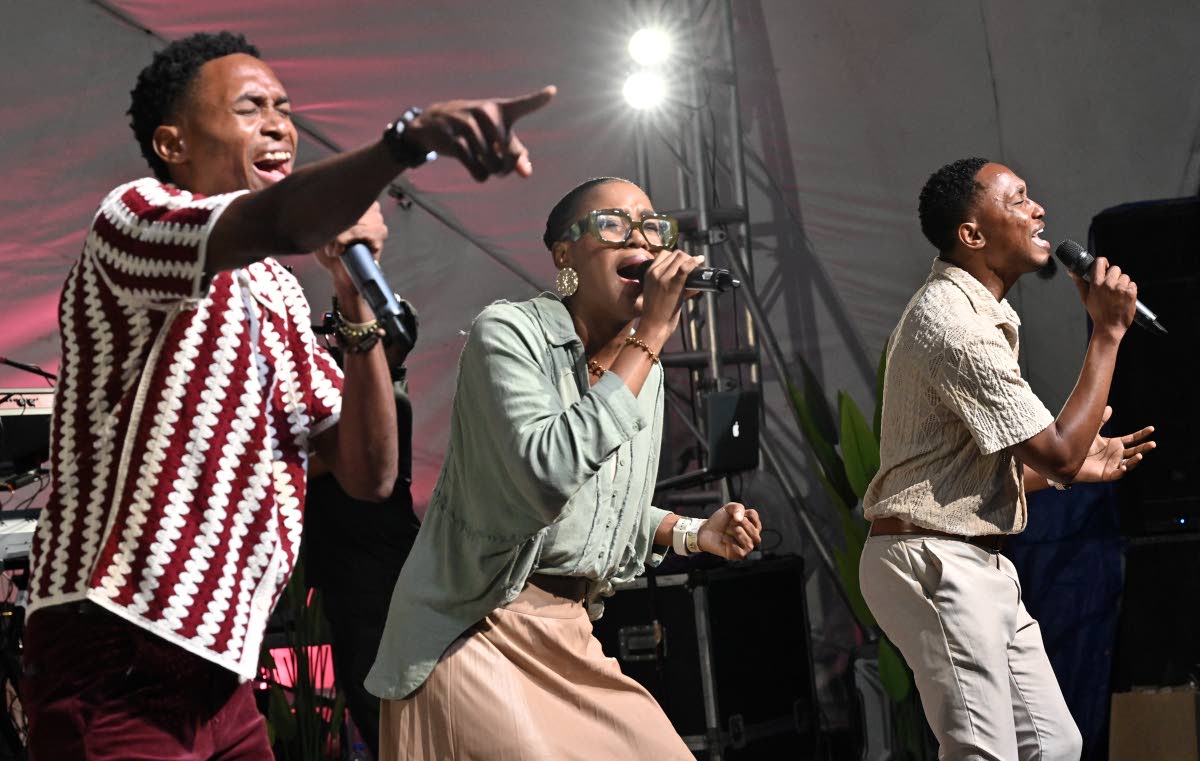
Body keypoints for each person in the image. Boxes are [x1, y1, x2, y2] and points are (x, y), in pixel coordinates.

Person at [20, 30, 553, 761]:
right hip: (118, 645)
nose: (279, 124)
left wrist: (351, 300)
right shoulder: (135, 217)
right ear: (173, 142)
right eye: (249, 107)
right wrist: (406, 142)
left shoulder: (273, 287)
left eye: (284, 107)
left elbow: (367, 473)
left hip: (223, 672)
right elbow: (279, 220)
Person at [365, 177, 763, 760]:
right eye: (614, 225)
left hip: (571, 633)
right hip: (478, 625)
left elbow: (596, 504)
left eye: (652, 227)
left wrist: (692, 533)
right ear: (564, 255)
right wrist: (651, 333)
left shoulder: (639, 367)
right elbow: (547, 472)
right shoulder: (508, 333)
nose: (642, 241)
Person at [860, 157, 1156, 761]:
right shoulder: (954, 327)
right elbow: (1060, 452)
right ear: (972, 235)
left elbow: (961, 473)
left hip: (972, 557)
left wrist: (1056, 472)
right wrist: (1106, 334)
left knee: (1053, 745)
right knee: (982, 752)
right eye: (1018, 200)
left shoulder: (976, 316)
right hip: (933, 560)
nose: (1038, 209)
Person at [303, 310, 421, 761]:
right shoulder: (361, 397)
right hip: (351, 573)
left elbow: (319, 461)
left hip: (375, 579)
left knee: (376, 701)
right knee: (363, 692)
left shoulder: (390, 400)